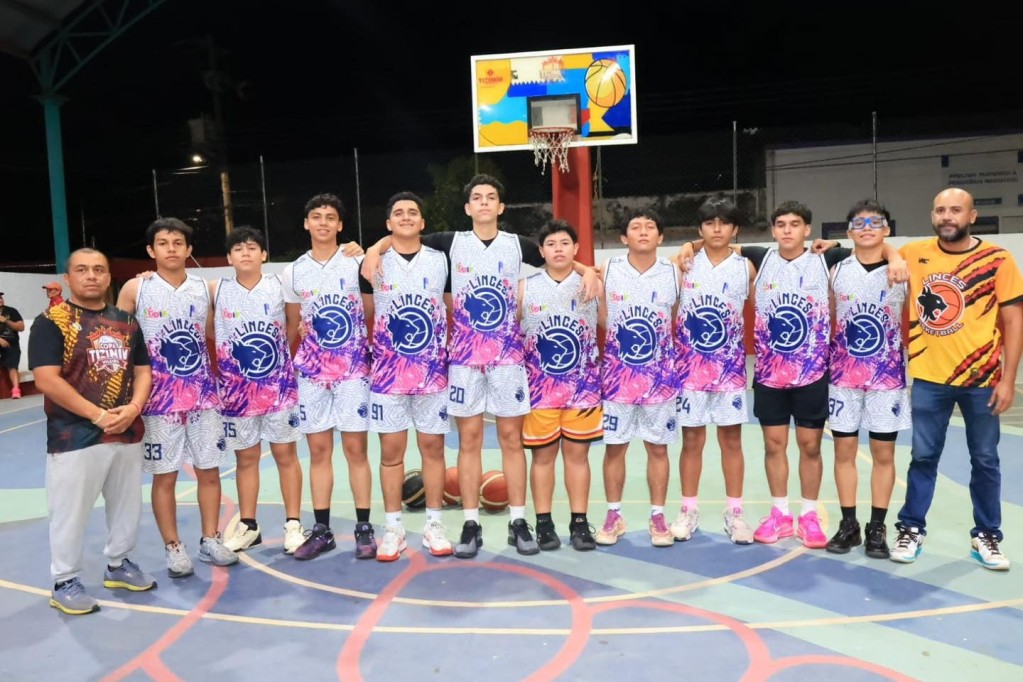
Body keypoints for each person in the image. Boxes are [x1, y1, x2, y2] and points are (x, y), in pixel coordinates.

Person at [361, 174, 599, 559]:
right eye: (477, 198)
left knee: (510, 441)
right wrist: (374, 248)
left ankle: (518, 521)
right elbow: (405, 238)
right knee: (468, 442)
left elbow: (563, 256)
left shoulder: (515, 245)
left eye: (491, 197)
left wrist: (589, 271)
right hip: (465, 361)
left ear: (500, 208)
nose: (485, 203)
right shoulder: (449, 244)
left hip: (508, 359)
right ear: (468, 208)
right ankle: (470, 523)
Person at [677, 201, 905, 549]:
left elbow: (874, 246)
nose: (787, 230)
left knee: (810, 446)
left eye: (795, 224)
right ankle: (780, 513)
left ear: (807, 230)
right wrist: (686, 246)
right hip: (770, 374)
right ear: (772, 231)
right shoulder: (757, 257)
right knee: (774, 445)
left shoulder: (828, 258)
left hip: (813, 373)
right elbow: (714, 242)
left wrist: (897, 256)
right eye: (780, 224)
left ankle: (809, 515)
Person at [889, 187, 1022, 570]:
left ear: (972, 216)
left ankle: (987, 537)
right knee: (923, 457)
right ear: (933, 216)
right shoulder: (915, 253)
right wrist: (825, 245)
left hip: (982, 379)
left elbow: (1014, 321)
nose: (948, 216)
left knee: (984, 460)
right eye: (941, 210)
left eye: (956, 210)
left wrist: (1007, 378)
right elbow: (877, 248)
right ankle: (911, 528)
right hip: (930, 379)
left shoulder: (997, 259)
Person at [29, 248, 155, 615]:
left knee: (127, 506)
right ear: (68, 279)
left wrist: (132, 409)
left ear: (108, 276)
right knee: (70, 511)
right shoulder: (50, 321)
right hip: (74, 435)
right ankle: (65, 580)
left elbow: (143, 371)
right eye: (81, 270)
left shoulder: (127, 322)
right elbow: (46, 380)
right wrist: (98, 416)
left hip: (126, 430)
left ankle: (119, 564)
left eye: (99, 269)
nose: (91, 276)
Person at [117, 217, 238, 577]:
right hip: (158, 400)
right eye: (164, 243)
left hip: (202, 396)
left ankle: (210, 539)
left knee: (210, 472)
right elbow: (122, 345)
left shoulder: (205, 289)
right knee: (165, 476)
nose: (171, 248)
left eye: (178, 243)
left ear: (189, 250)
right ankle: (173, 547)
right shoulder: (134, 290)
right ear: (151, 251)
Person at [282, 193, 377, 560]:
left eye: (330, 217)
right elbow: (293, 324)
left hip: (353, 369)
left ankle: (363, 527)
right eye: (316, 216)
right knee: (318, 451)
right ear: (306, 223)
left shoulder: (356, 262)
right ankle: (322, 530)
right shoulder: (293, 271)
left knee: (356, 450)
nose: (322, 222)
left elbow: (370, 310)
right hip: (312, 372)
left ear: (340, 225)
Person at [367, 193, 452, 561]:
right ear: (388, 223)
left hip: (433, 371)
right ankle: (393, 529)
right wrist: (374, 249)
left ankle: (434, 525)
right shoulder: (372, 263)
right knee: (391, 453)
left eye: (412, 212)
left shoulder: (440, 260)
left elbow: (450, 307)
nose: (405, 217)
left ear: (422, 223)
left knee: (433, 449)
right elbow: (366, 312)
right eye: (397, 213)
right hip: (388, 373)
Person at [211, 227, 305, 555]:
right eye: (238, 249)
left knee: (285, 455)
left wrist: (279, 359)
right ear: (229, 258)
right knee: (246, 458)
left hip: (277, 387)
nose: (246, 253)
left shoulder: (279, 286)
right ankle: (248, 525)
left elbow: (293, 324)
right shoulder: (216, 290)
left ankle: (293, 523)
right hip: (237, 392)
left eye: (252, 248)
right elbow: (210, 326)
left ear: (264, 255)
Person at [824, 200, 910, 559]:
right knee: (843, 450)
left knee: (883, 453)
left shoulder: (902, 269)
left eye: (876, 222)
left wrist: (895, 256)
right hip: (844, 375)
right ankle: (849, 524)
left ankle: (878, 526)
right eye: (859, 223)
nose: (867, 227)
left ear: (887, 229)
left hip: (886, 377)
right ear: (848, 232)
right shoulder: (835, 269)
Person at [671, 197, 756, 545]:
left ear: (734, 229)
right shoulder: (682, 266)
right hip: (689, 369)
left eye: (724, 223)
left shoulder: (747, 267)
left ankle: (735, 513)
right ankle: (688, 510)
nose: (716, 228)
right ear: (700, 229)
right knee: (691, 440)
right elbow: (669, 310)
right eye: (709, 223)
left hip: (729, 371)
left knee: (731, 441)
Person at [595, 209, 681, 548]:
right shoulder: (609, 269)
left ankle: (658, 516)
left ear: (660, 237)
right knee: (614, 448)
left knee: (657, 449)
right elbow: (601, 314)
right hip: (618, 377)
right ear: (623, 238)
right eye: (635, 227)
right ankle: (614, 515)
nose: (643, 231)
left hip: (660, 378)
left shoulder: (675, 272)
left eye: (650, 227)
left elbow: (674, 316)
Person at [520, 220, 602, 551]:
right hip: (539, 389)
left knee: (577, 457)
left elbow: (609, 322)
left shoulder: (591, 285)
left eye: (565, 243)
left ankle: (579, 523)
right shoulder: (525, 287)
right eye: (551, 244)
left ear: (576, 249)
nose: (558, 248)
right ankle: (543, 523)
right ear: (541, 251)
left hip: (582, 387)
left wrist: (591, 273)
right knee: (542, 458)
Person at [0, 291, 25, 399]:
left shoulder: (11, 311)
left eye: (1, 297)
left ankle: (16, 390)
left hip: (12, 344)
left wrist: (6, 321)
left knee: (12, 366)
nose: (0, 299)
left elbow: (21, 327)